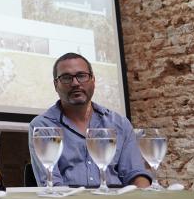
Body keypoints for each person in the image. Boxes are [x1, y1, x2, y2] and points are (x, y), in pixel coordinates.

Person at [28, 52, 150, 188]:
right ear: (56, 85)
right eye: (66, 78)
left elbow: (135, 174)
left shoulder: (120, 124)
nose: (75, 83)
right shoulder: (42, 127)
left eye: (81, 76)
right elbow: (51, 183)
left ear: (93, 80)